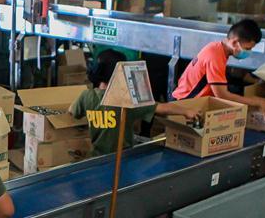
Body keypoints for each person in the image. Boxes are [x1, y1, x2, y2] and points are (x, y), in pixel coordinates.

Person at [70, 50, 201, 156]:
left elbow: (71, 113)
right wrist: (186, 111)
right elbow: (162, 108)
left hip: (96, 158)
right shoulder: (126, 101)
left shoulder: (86, 96)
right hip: (122, 159)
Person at [171, 19, 265, 119]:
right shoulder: (215, 55)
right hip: (185, 104)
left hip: (193, 102)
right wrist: (256, 101)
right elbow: (222, 95)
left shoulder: (217, 49)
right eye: (247, 48)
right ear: (234, 43)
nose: (248, 52)